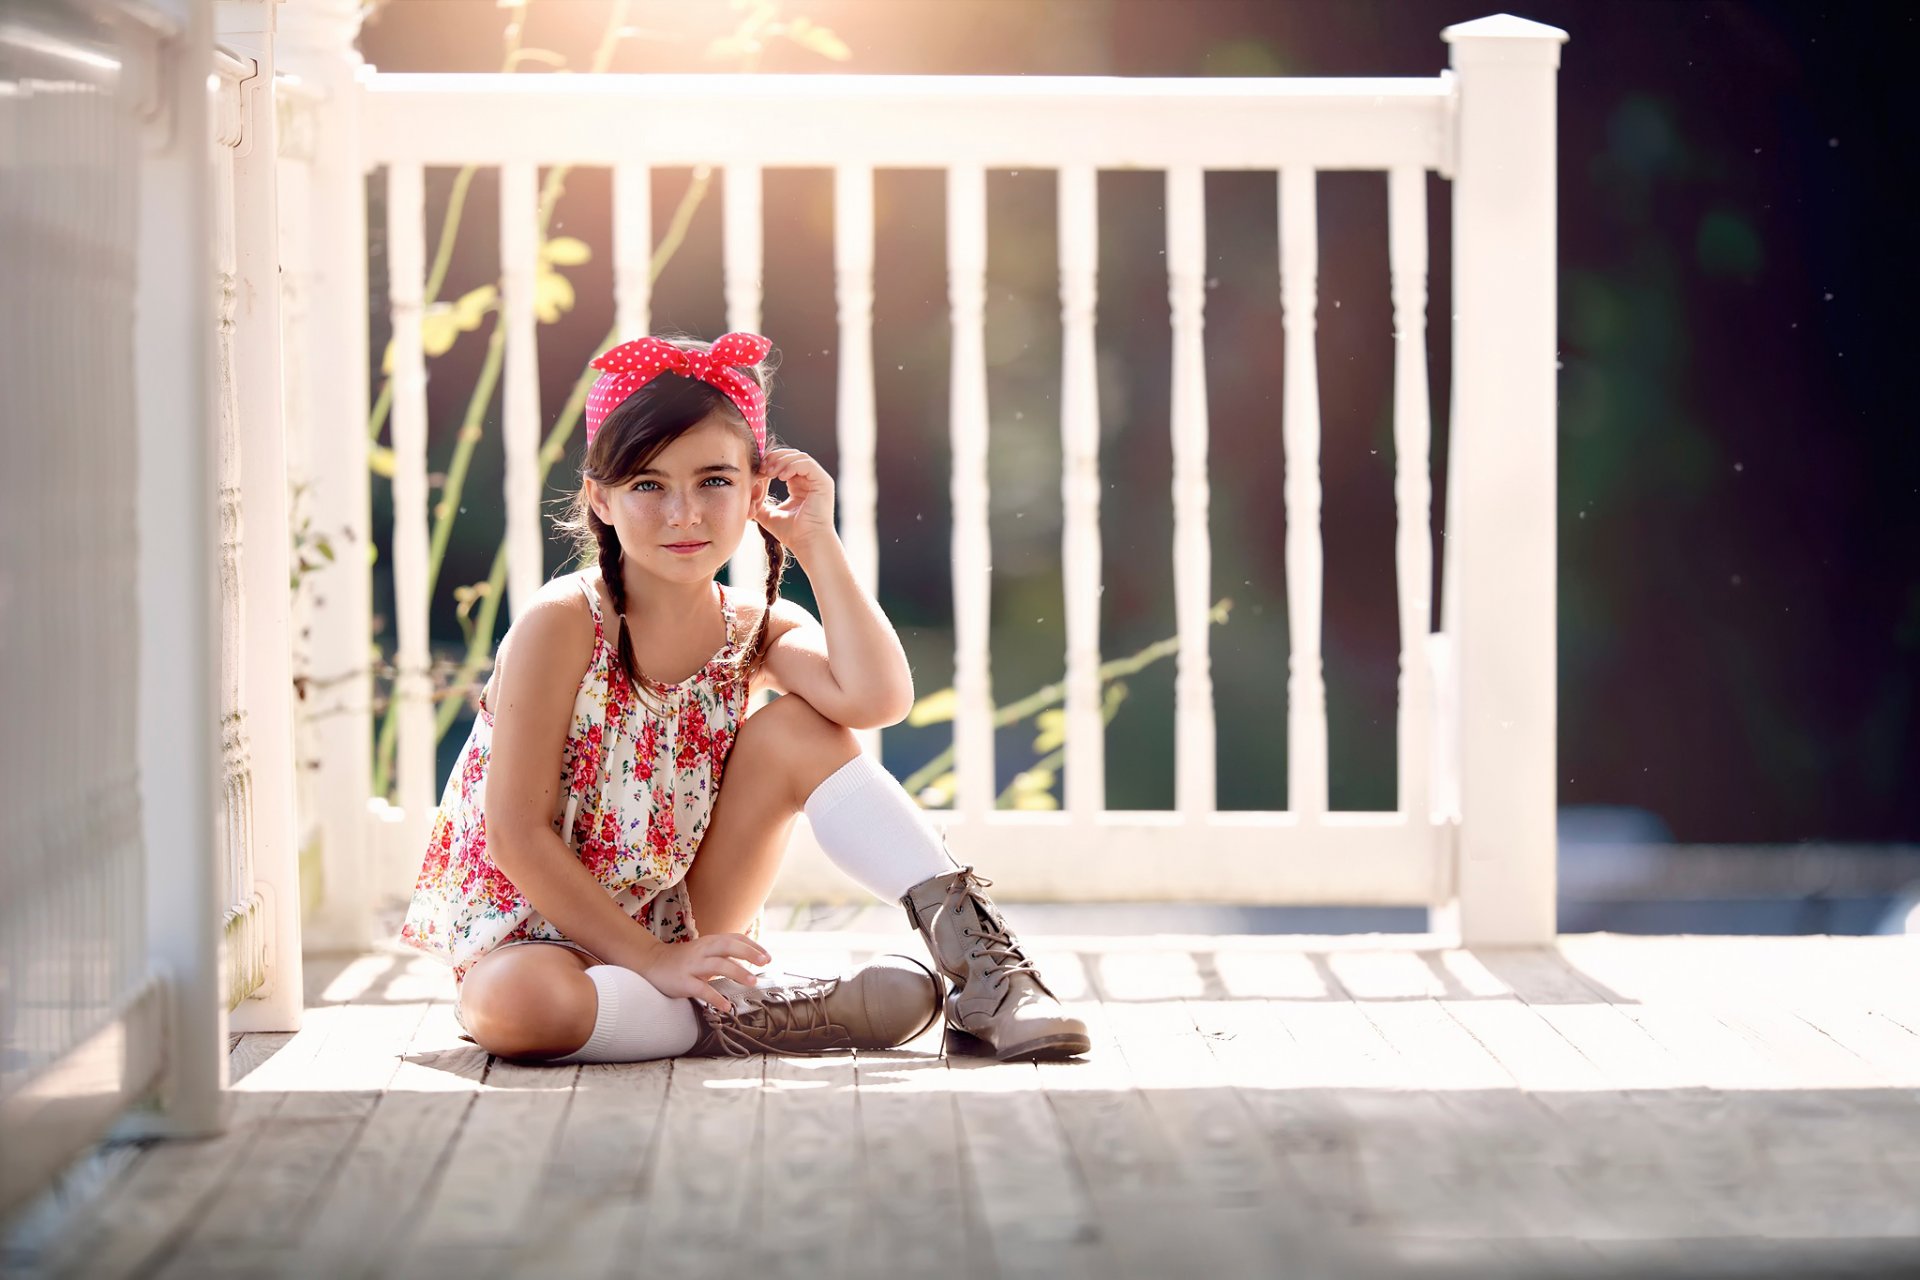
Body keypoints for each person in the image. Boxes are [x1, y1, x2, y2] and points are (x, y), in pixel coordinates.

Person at [400, 331, 1090, 1064]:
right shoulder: (563, 623)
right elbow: (515, 834)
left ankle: (986, 978)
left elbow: (876, 698)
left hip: (682, 926)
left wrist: (817, 540)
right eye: (647, 485)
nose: (684, 514)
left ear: (756, 490)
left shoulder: (755, 629)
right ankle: (752, 1015)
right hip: (540, 933)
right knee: (515, 1009)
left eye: (715, 482)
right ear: (599, 501)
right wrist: (651, 962)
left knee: (802, 728)